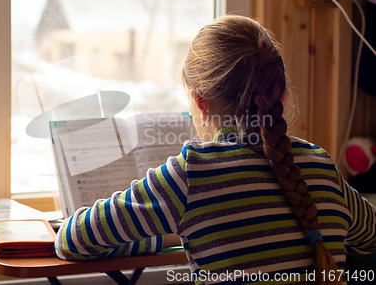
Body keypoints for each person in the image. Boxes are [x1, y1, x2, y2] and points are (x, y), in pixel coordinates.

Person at [54, 15, 376, 285]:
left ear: (201, 102)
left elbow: (74, 239)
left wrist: (153, 236)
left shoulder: (192, 173)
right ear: (278, 93)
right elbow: (370, 235)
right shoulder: (322, 167)